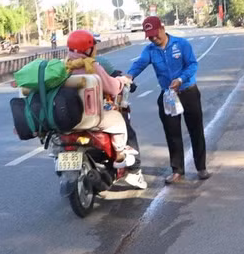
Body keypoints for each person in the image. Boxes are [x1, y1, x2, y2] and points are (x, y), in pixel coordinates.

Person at [127, 16, 211, 184]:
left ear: (162, 28)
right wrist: (129, 76)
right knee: (172, 134)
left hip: (188, 92)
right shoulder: (150, 50)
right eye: (149, 36)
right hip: (168, 96)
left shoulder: (181, 44)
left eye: (155, 34)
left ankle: (201, 168)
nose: (153, 38)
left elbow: (192, 65)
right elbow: (139, 64)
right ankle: (177, 170)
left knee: (196, 130)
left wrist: (180, 79)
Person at [64, 30, 136, 168]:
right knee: (118, 120)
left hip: (68, 116)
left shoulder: (64, 65)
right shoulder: (91, 66)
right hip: (90, 117)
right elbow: (112, 88)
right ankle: (120, 154)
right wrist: (122, 80)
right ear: (88, 49)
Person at [95, 52, 147, 189]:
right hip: (99, 114)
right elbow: (113, 85)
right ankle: (135, 171)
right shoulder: (97, 64)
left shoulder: (66, 65)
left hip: (75, 116)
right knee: (127, 130)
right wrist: (123, 81)